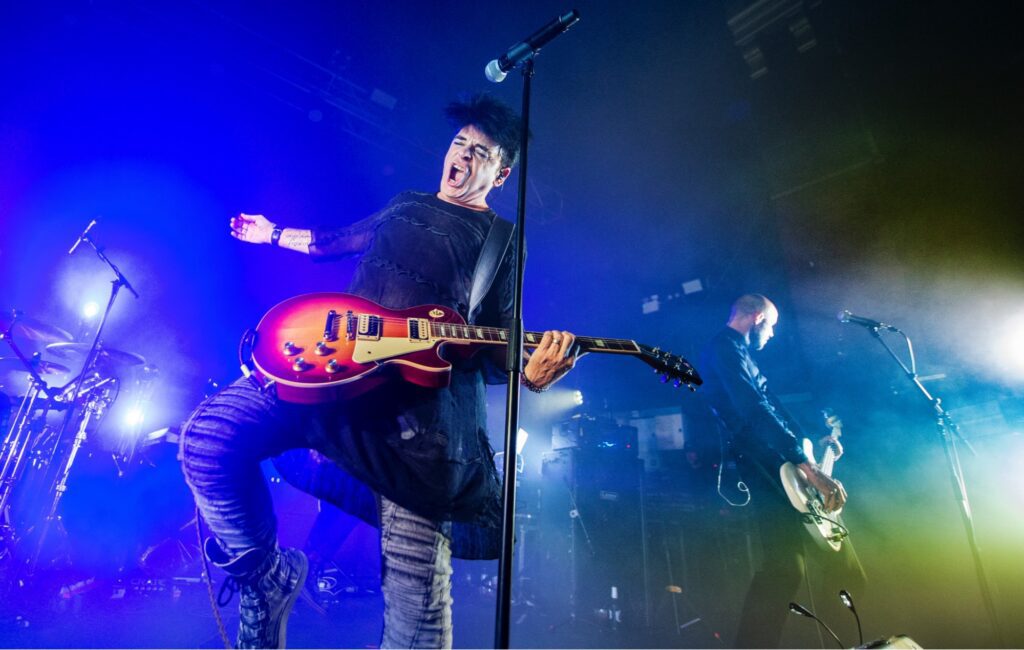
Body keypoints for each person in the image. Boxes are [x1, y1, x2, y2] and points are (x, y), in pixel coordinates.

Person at [180, 94, 578, 649]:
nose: (462, 156)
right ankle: (267, 581)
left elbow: (496, 344)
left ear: (501, 173)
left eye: (480, 152)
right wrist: (270, 232)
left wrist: (530, 374)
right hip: (330, 377)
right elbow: (332, 242)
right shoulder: (406, 203)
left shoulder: (501, 242)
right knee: (208, 440)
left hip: (420, 427)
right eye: (459, 143)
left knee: (419, 629)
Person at [699, 294, 865, 648]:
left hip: (778, 465)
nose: (773, 334)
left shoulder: (738, 353)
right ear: (757, 317)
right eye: (771, 325)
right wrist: (811, 469)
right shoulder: (724, 349)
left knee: (793, 570)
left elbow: (770, 407)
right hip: (766, 470)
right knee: (792, 570)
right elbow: (753, 410)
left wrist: (813, 440)